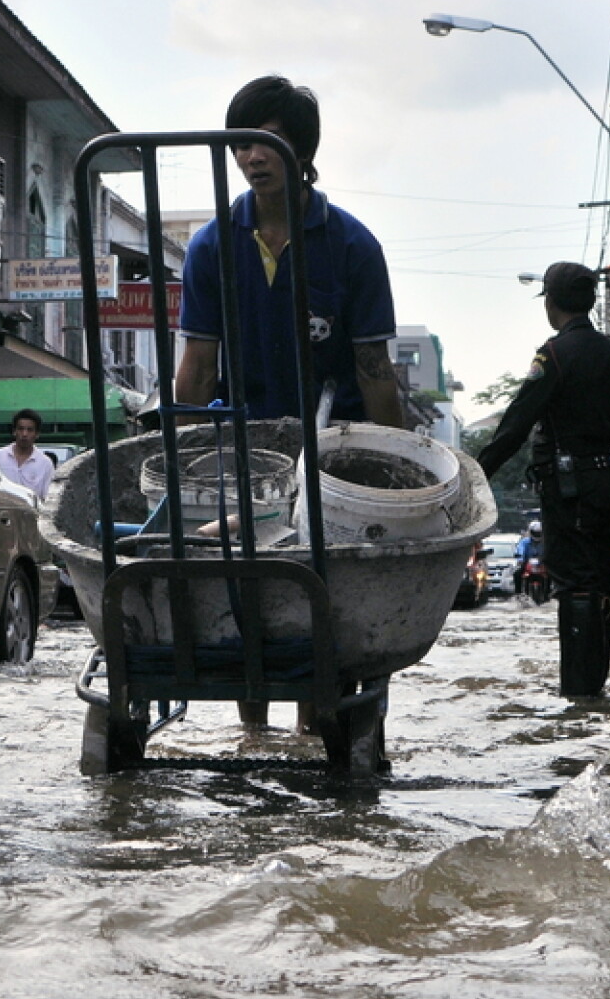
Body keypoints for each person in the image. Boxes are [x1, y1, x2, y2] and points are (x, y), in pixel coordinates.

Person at [172, 74, 404, 732]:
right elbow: (197, 367)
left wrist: (394, 469)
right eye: (241, 146)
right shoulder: (212, 245)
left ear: (301, 151)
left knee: (320, 593)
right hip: (241, 446)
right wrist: (173, 448)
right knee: (247, 591)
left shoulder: (353, 247)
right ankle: (252, 734)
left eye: (266, 144)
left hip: (335, 452)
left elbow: (375, 369)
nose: (251, 159)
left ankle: (315, 727)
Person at [476, 262, 610, 697]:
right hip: (605, 489)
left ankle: (579, 695)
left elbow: (515, 425)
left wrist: (476, 474)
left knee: (574, 587)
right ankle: (593, 686)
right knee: (601, 583)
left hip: (568, 492)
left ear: (551, 303)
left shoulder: (554, 355)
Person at [0, 408, 54, 502]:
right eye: (21, 429)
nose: (24, 434)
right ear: (14, 431)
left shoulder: (45, 464)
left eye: (30, 430)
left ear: (37, 434)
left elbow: (47, 498)